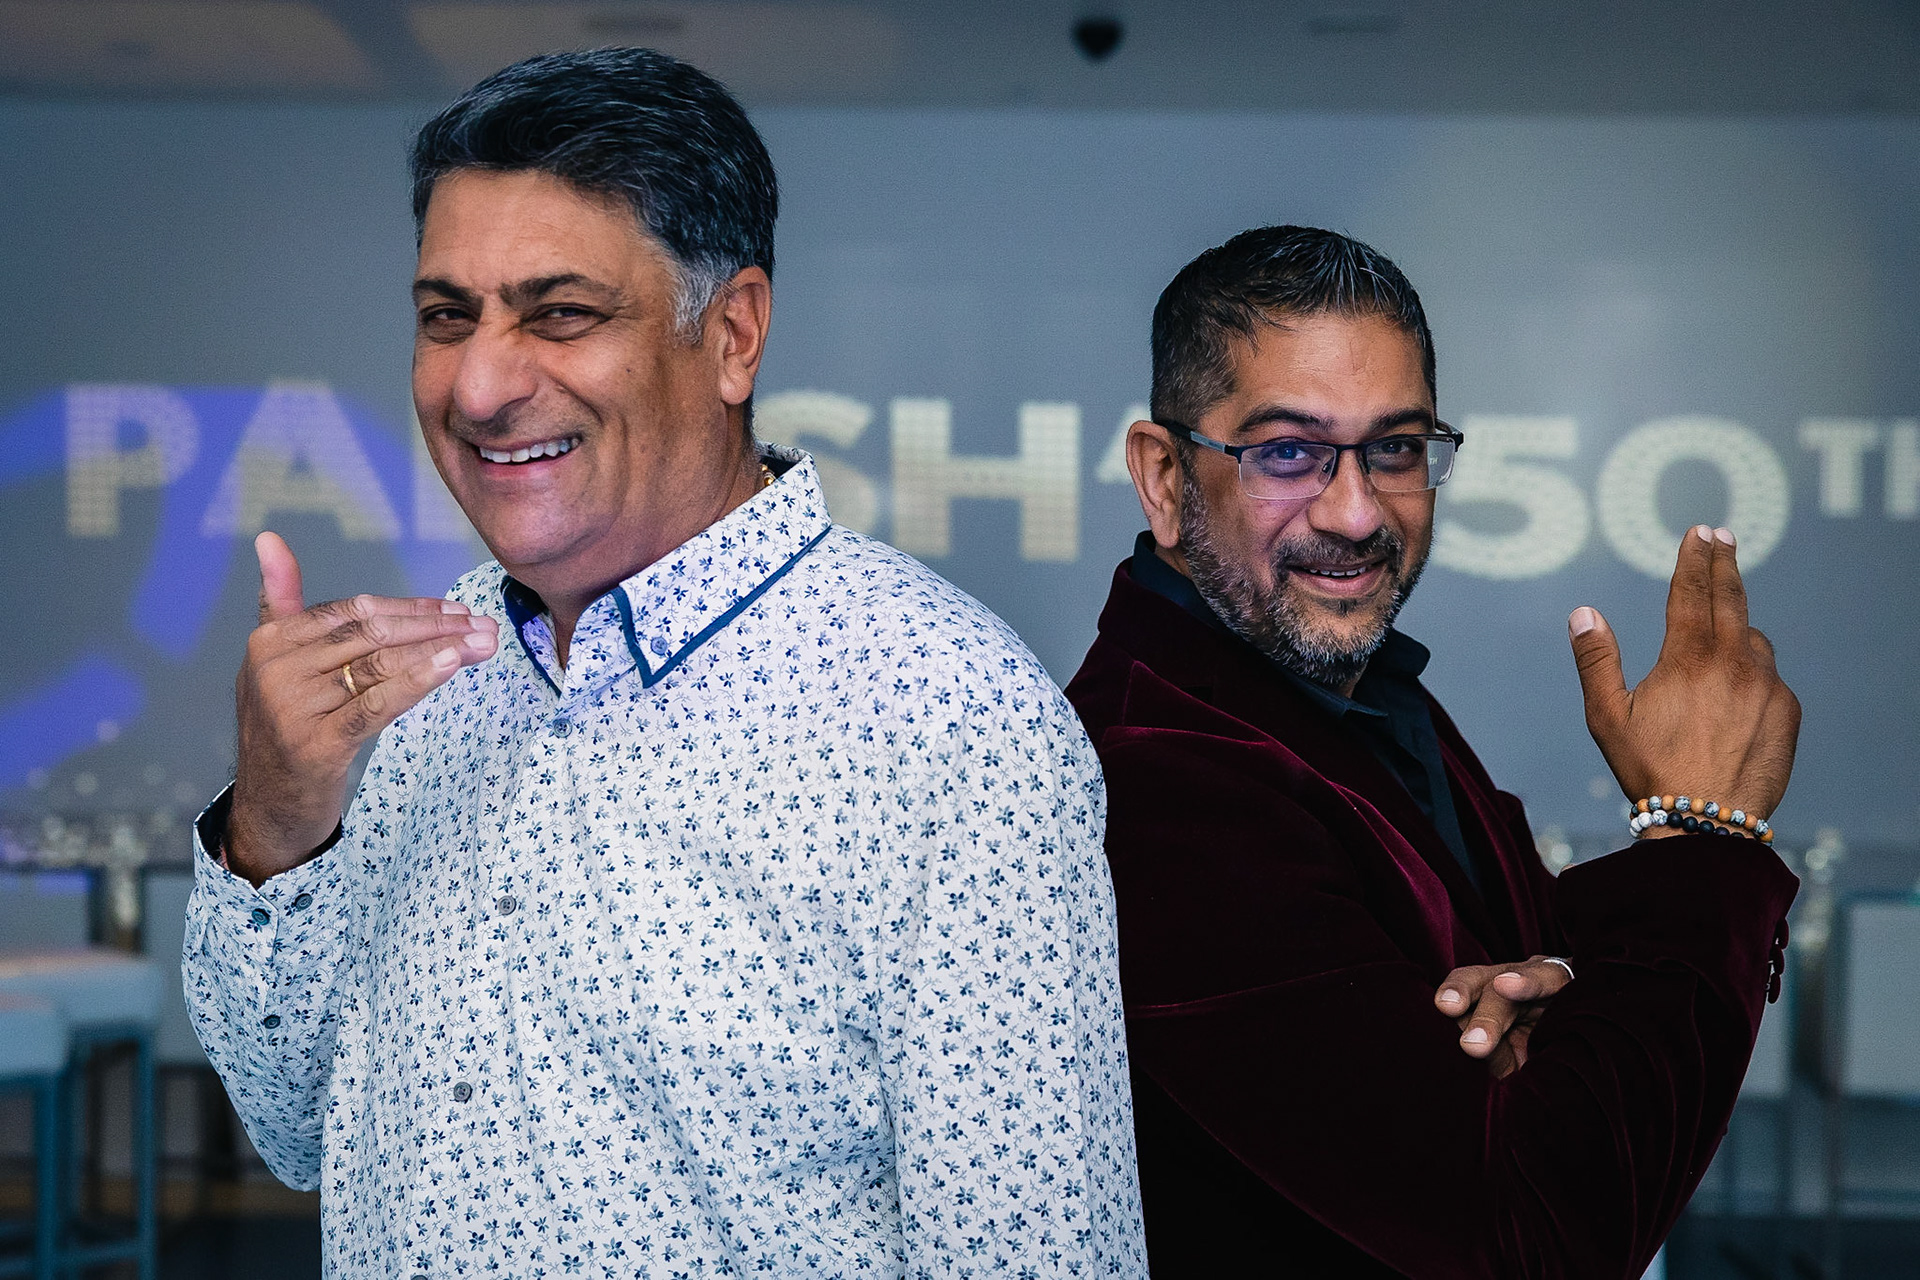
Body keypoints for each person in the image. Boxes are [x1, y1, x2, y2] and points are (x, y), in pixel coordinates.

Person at [183, 48, 1146, 1277]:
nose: (479, 384)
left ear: (732, 334)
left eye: (560, 313)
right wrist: (275, 822)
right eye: (447, 316)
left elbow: (1038, 1254)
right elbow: (296, 1130)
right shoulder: (429, 683)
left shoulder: (949, 720)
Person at [1064, 225, 1800, 1278]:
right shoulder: (1157, 780)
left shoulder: (1348, 689)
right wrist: (1700, 836)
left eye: (1397, 448)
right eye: (1287, 452)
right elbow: (1527, 1248)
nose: (1356, 512)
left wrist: (1559, 982)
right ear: (1165, 475)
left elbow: (1525, 947)